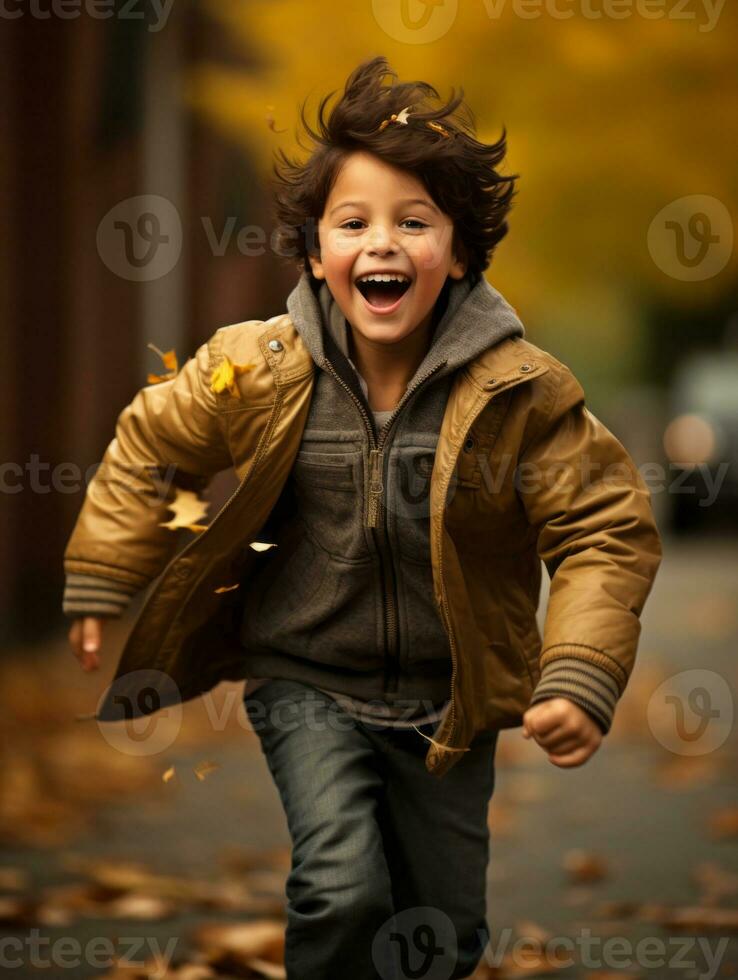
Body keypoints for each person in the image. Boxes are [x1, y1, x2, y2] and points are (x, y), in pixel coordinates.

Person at [64, 56, 662, 980]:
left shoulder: (518, 393)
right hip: (304, 676)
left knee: (441, 929)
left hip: (449, 700)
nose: (382, 244)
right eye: (354, 223)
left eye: (413, 223)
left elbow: (602, 527)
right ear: (314, 254)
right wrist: (104, 576)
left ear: (458, 252)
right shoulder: (255, 369)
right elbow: (154, 442)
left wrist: (578, 673)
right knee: (342, 887)